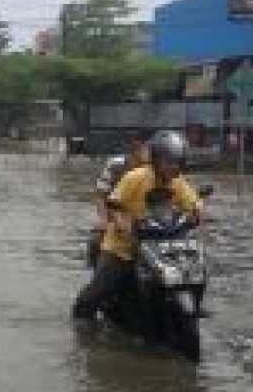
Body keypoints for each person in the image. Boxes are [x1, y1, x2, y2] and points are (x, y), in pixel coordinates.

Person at [73, 130, 204, 321]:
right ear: (156, 160)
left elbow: (192, 202)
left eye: (177, 162)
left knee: (191, 273)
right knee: (98, 291)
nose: (172, 167)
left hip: (160, 246)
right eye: (168, 162)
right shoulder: (135, 177)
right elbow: (114, 204)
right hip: (122, 247)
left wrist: (198, 212)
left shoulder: (178, 182)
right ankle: (81, 323)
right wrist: (123, 224)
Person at [86, 133, 149, 268]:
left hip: (144, 216)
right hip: (115, 213)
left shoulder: (156, 167)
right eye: (144, 147)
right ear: (135, 148)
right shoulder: (116, 164)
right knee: (96, 238)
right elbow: (101, 194)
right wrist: (103, 220)